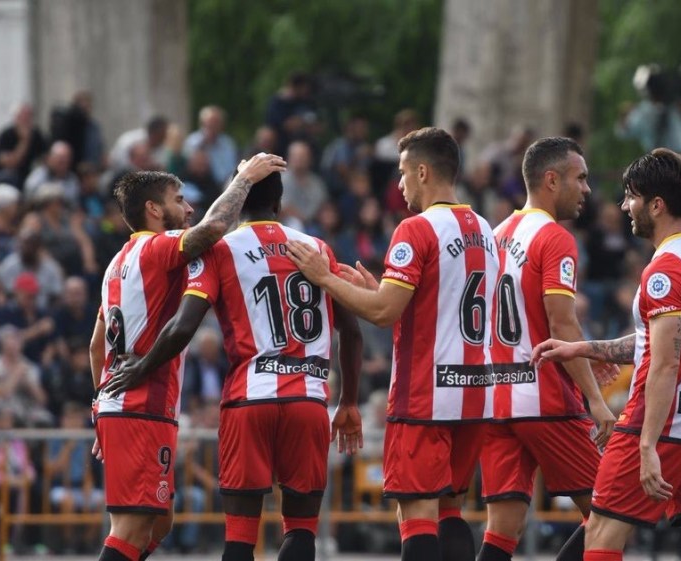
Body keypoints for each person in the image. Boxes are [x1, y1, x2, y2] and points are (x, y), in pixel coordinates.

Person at [106, 171, 364, 561]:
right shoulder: (317, 248)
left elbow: (183, 326)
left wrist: (140, 369)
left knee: (240, 537)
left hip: (249, 400)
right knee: (301, 531)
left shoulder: (220, 250)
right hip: (309, 398)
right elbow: (352, 331)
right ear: (279, 204)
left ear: (238, 203)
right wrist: (349, 401)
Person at [533, 149, 681, 561]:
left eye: (631, 197)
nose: (625, 206)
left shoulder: (666, 270)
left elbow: (666, 362)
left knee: (600, 536)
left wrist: (646, 446)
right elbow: (654, 342)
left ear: (656, 205)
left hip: (657, 424)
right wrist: (583, 347)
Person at [287, 127, 498, 561]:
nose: (399, 185)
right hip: (474, 392)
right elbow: (428, 301)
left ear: (423, 171)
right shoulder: (485, 229)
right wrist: (375, 288)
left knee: (417, 513)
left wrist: (324, 278)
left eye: (403, 173)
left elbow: (384, 312)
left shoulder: (415, 229)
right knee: (451, 509)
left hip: (425, 394)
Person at [88, 153, 286, 561]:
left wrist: (102, 406)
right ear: (154, 209)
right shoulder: (158, 249)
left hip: (123, 406)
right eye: (180, 199)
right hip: (141, 406)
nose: (189, 207)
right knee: (132, 528)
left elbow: (96, 347)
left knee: (159, 522)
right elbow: (214, 228)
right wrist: (244, 180)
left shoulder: (116, 264)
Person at [478, 137, 616, 561]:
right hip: (545, 399)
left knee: (501, 530)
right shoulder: (554, 238)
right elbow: (560, 321)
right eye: (581, 177)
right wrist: (596, 400)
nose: (587, 189)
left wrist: (591, 354)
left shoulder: (496, 235)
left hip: (499, 399)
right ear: (551, 180)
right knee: (612, 514)